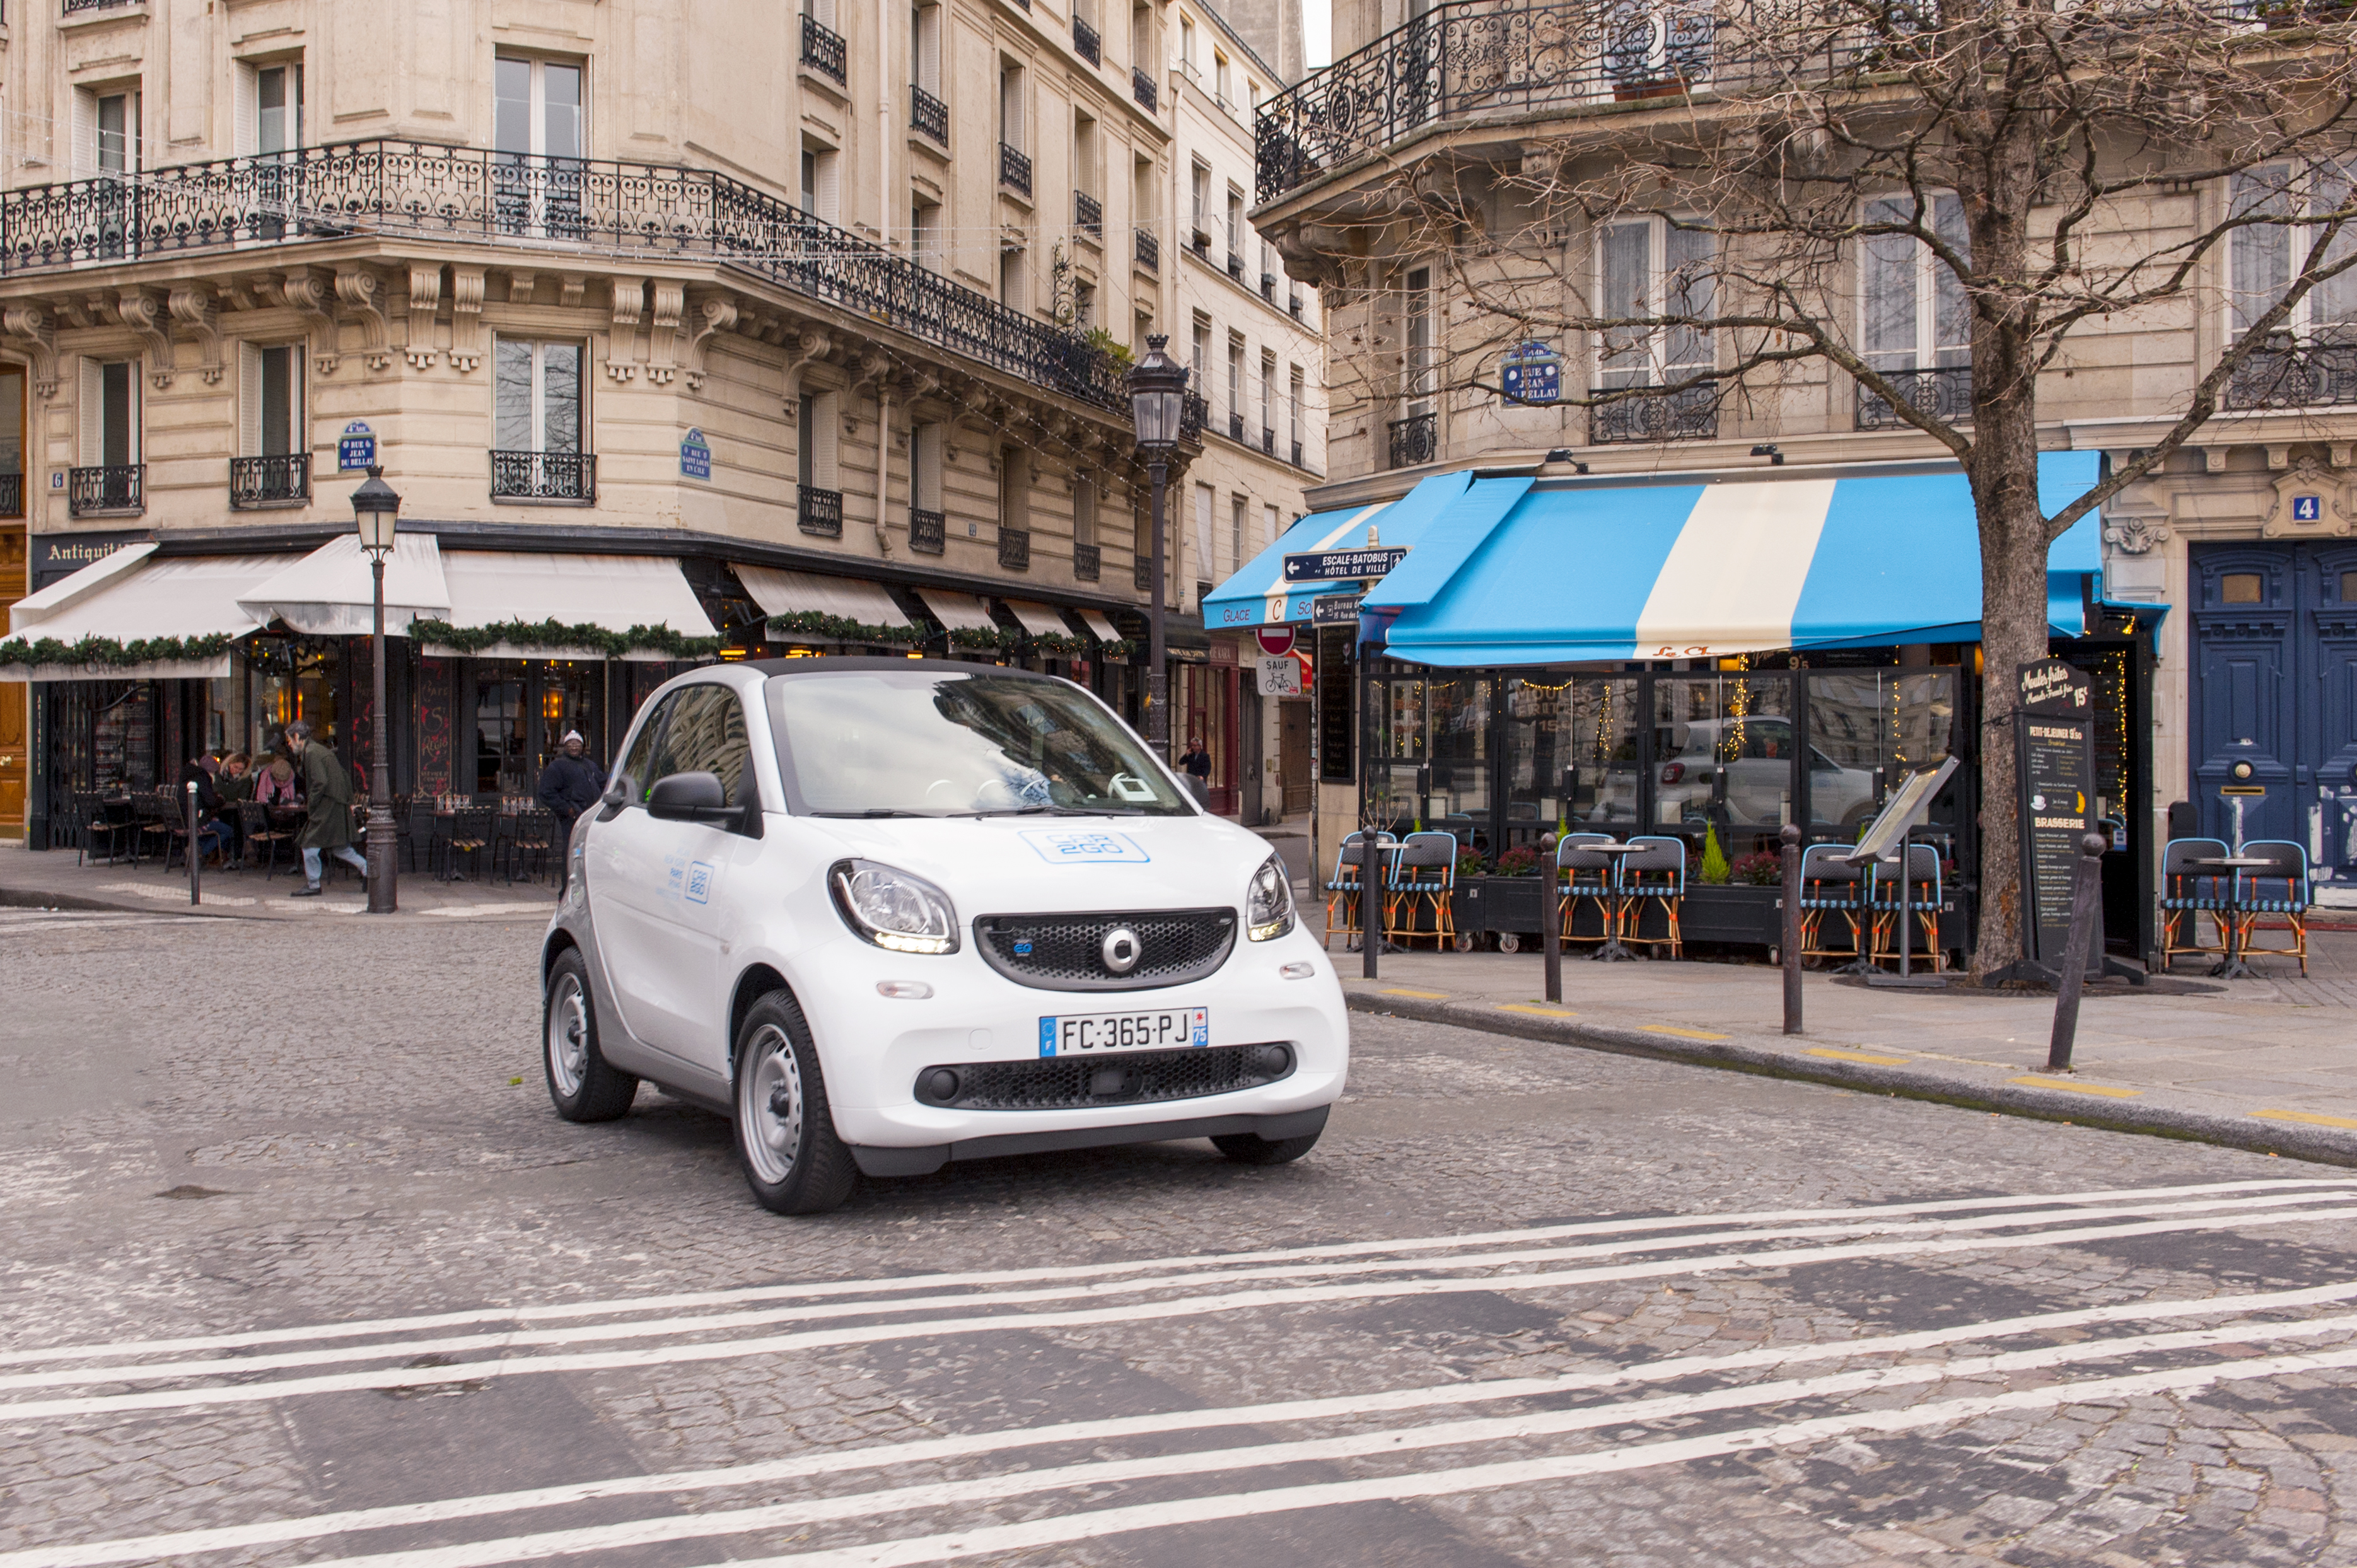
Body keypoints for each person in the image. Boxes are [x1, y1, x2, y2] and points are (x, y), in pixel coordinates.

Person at [284, 720, 368, 897]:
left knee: (309, 846)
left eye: (290, 741)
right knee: (340, 847)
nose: (290, 745)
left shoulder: (312, 753)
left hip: (327, 805)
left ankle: (313, 885)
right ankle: (368, 871)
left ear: (298, 737)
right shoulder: (320, 751)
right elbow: (344, 776)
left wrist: (312, 803)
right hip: (336, 803)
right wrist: (348, 801)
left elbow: (320, 782)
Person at [537, 729, 605, 886]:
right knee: (572, 854)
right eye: (570, 744)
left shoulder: (590, 765)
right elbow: (546, 793)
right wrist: (567, 809)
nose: (574, 747)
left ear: (582, 746)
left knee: (590, 854)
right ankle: (567, 890)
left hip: (591, 817)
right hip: (572, 818)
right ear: (565, 747)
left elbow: (604, 782)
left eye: (577, 744)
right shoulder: (558, 766)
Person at [173, 755, 233, 866]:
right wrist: (221, 799)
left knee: (215, 825)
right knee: (227, 830)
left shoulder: (186, 777)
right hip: (196, 821)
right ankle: (200, 853)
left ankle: (196, 851)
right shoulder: (202, 777)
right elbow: (211, 801)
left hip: (181, 822)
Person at [1177, 736, 1213, 805]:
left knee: (1200, 798)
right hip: (1191, 780)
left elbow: (1208, 768)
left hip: (1200, 780)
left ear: (1199, 746)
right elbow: (1181, 762)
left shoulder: (1205, 756)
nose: (1193, 747)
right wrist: (1186, 755)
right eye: (1192, 745)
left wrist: (1203, 776)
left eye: (1195, 746)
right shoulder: (1191, 755)